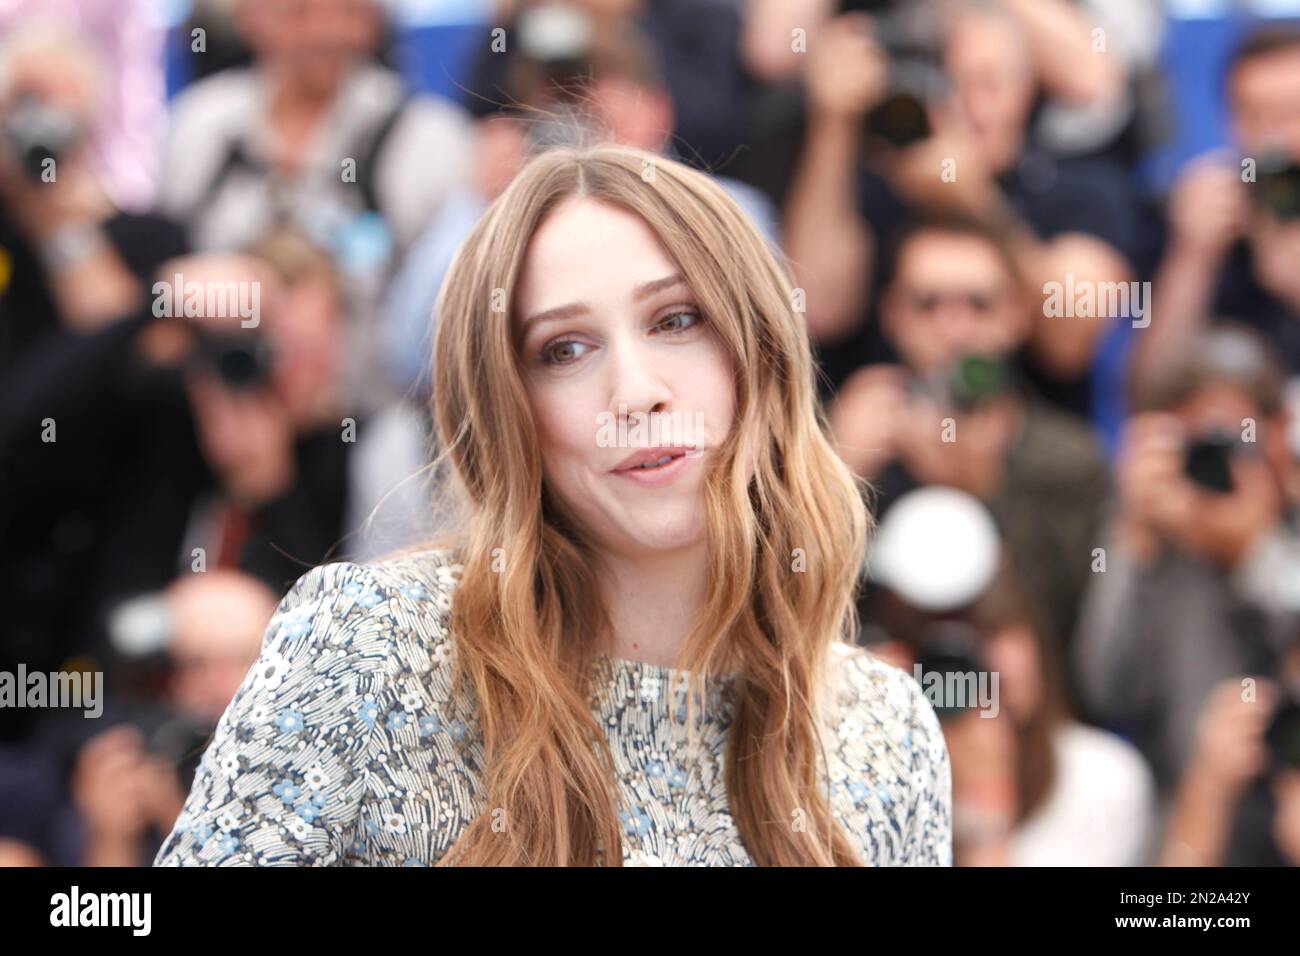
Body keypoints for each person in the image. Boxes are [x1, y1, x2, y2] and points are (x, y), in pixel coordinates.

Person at [153, 143, 952, 866]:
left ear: (763, 356)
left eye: (678, 319)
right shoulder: (372, 650)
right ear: (507, 413)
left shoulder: (883, 729)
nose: (637, 392)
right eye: (564, 350)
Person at [827, 214, 1109, 669]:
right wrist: (834, 480)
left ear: (1017, 316)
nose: (955, 330)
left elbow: (1075, 649)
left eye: (978, 305)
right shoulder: (839, 437)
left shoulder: (1071, 460)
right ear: (893, 315)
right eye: (928, 304)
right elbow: (781, 619)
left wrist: (985, 496)